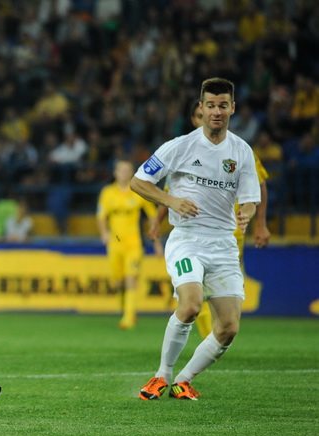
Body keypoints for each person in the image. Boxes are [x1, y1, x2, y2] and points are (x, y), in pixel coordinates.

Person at [131, 78, 260, 400]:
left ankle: (184, 380)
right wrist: (171, 201)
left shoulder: (242, 151)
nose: (217, 111)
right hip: (187, 240)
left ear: (232, 108)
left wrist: (246, 213)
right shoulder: (179, 146)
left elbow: (250, 198)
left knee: (229, 328)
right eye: (211, 105)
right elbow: (138, 181)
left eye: (223, 105)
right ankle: (161, 376)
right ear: (201, 108)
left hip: (224, 244)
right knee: (189, 306)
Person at [149, 99, 271, 339]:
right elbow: (171, 190)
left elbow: (259, 185)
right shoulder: (183, 149)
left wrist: (260, 224)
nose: (204, 119)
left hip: (230, 234)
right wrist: (157, 219)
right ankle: (209, 339)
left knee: (224, 298)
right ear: (195, 118)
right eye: (198, 115)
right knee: (196, 293)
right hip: (193, 232)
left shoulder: (239, 149)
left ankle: (216, 338)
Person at [97, 159, 162, 330]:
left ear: (132, 173)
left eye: (127, 170)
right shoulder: (107, 192)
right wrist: (104, 233)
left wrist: (156, 243)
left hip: (134, 244)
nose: (124, 173)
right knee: (119, 282)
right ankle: (124, 308)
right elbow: (101, 216)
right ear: (115, 173)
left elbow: (152, 217)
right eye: (121, 170)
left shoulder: (138, 191)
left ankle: (128, 317)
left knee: (130, 279)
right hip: (114, 244)